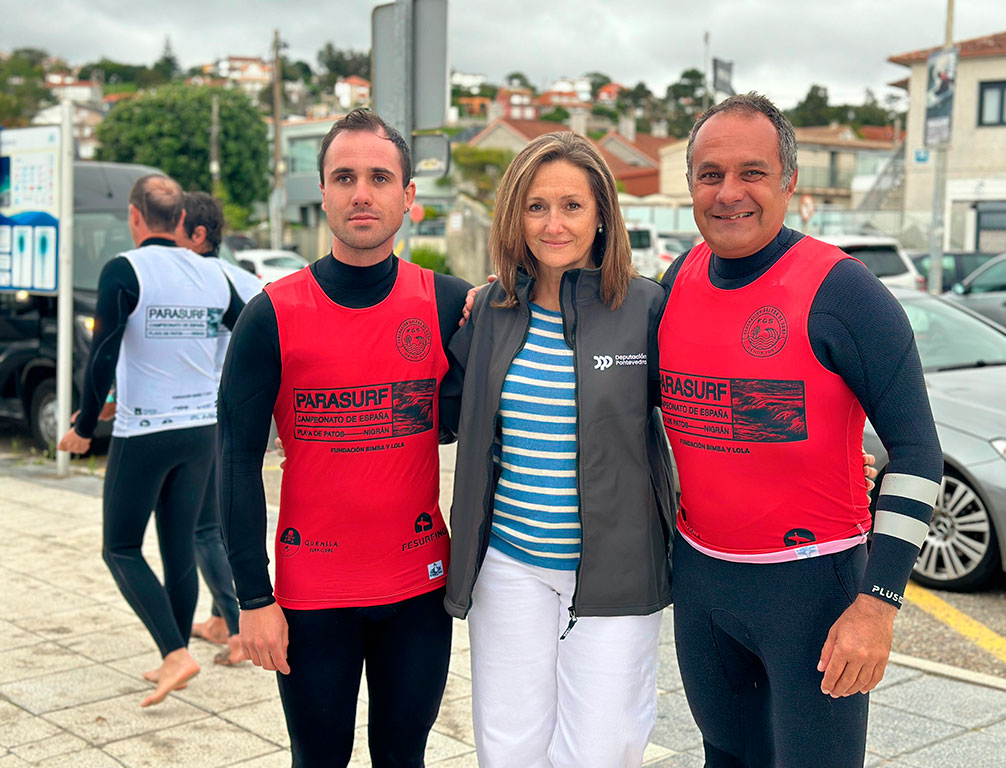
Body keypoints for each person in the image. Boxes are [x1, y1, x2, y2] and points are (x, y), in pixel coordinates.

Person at [659, 93, 942, 767]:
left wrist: (879, 605)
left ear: (789, 182)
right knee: (724, 757)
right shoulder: (674, 280)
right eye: (710, 174)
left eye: (752, 172)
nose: (729, 193)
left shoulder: (845, 292)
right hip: (700, 585)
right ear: (690, 184)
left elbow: (918, 450)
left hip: (812, 593)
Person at [218, 109, 471, 767]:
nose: (363, 192)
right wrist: (253, 599)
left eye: (380, 177)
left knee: (403, 758)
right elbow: (235, 459)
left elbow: (480, 412)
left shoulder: (449, 304)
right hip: (310, 596)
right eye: (345, 177)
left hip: (419, 590)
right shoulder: (271, 314)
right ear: (323, 193)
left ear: (408, 197)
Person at [442, 131, 675, 768]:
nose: (553, 224)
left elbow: (702, 415)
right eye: (536, 206)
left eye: (572, 206)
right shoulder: (489, 309)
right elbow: (443, 413)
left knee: (601, 750)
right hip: (510, 566)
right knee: (509, 745)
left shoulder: (646, 307)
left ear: (602, 215)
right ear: (515, 216)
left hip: (615, 573)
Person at [57, 174, 245, 707]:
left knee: (119, 547)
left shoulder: (125, 269)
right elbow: (248, 330)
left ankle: (174, 652)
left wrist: (84, 427)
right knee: (178, 544)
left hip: (146, 431)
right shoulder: (212, 275)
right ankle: (173, 654)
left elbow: (103, 355)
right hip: (200, 431)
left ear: (136, 216)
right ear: (181, 219)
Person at [176, 191, 263, 666]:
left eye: (175, 231)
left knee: (205, 526)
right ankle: (218, 618)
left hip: (219, 413)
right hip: (217, 410)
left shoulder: (217, 280)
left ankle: (234, 629)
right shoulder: (236, 276)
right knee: (210, 521)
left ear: (198, 235)